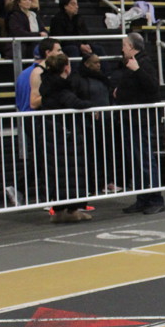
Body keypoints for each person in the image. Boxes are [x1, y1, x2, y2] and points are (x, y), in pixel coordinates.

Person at [38, 53, 93, 223]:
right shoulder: (60, 88)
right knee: (70, 172)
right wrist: (92, 105)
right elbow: (77, 103)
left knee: (57, 173)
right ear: (66, 68)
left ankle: (60, 210)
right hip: (64, 135)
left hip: (53, 135)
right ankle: (71, 210)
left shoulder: (47, 84)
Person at [115, 32, 165, 215]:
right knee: (136, 160)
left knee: (145, 159)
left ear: (132, 46)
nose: (122, 49)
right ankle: (142, 198)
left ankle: (155, 198)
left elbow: (153, 87)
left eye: (124, 45)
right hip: (131, 118)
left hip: (141, 119)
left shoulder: (144, 63)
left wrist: (137, 70)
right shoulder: (130, 64)